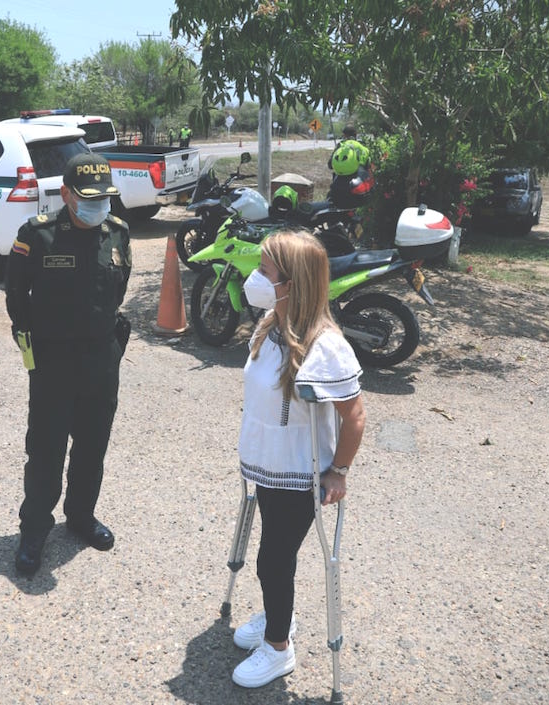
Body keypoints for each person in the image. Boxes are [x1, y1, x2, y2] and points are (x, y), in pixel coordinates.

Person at [229, 230, 366, 689]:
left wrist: (339, 472)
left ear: (294, 281)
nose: (256, 277)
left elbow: (356, 416)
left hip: (297, 473)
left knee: (273, 558)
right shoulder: (272, 322)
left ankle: (278, 650)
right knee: (273, 554)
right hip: (268, 463)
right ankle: (277, 616)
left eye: (266, 272)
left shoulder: (324, 345)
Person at [4, 152, 132, 578]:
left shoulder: (117, 232)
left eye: (103, 198)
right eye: (88, 198)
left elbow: (119, 288)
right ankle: (35, 530)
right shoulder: (37, 235)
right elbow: (15, 294)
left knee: (93, 446)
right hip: (53, 361)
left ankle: (80, 516)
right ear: (66, 194)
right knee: (45, 450)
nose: (98, 206)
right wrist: (32, 339)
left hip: (101, 358)